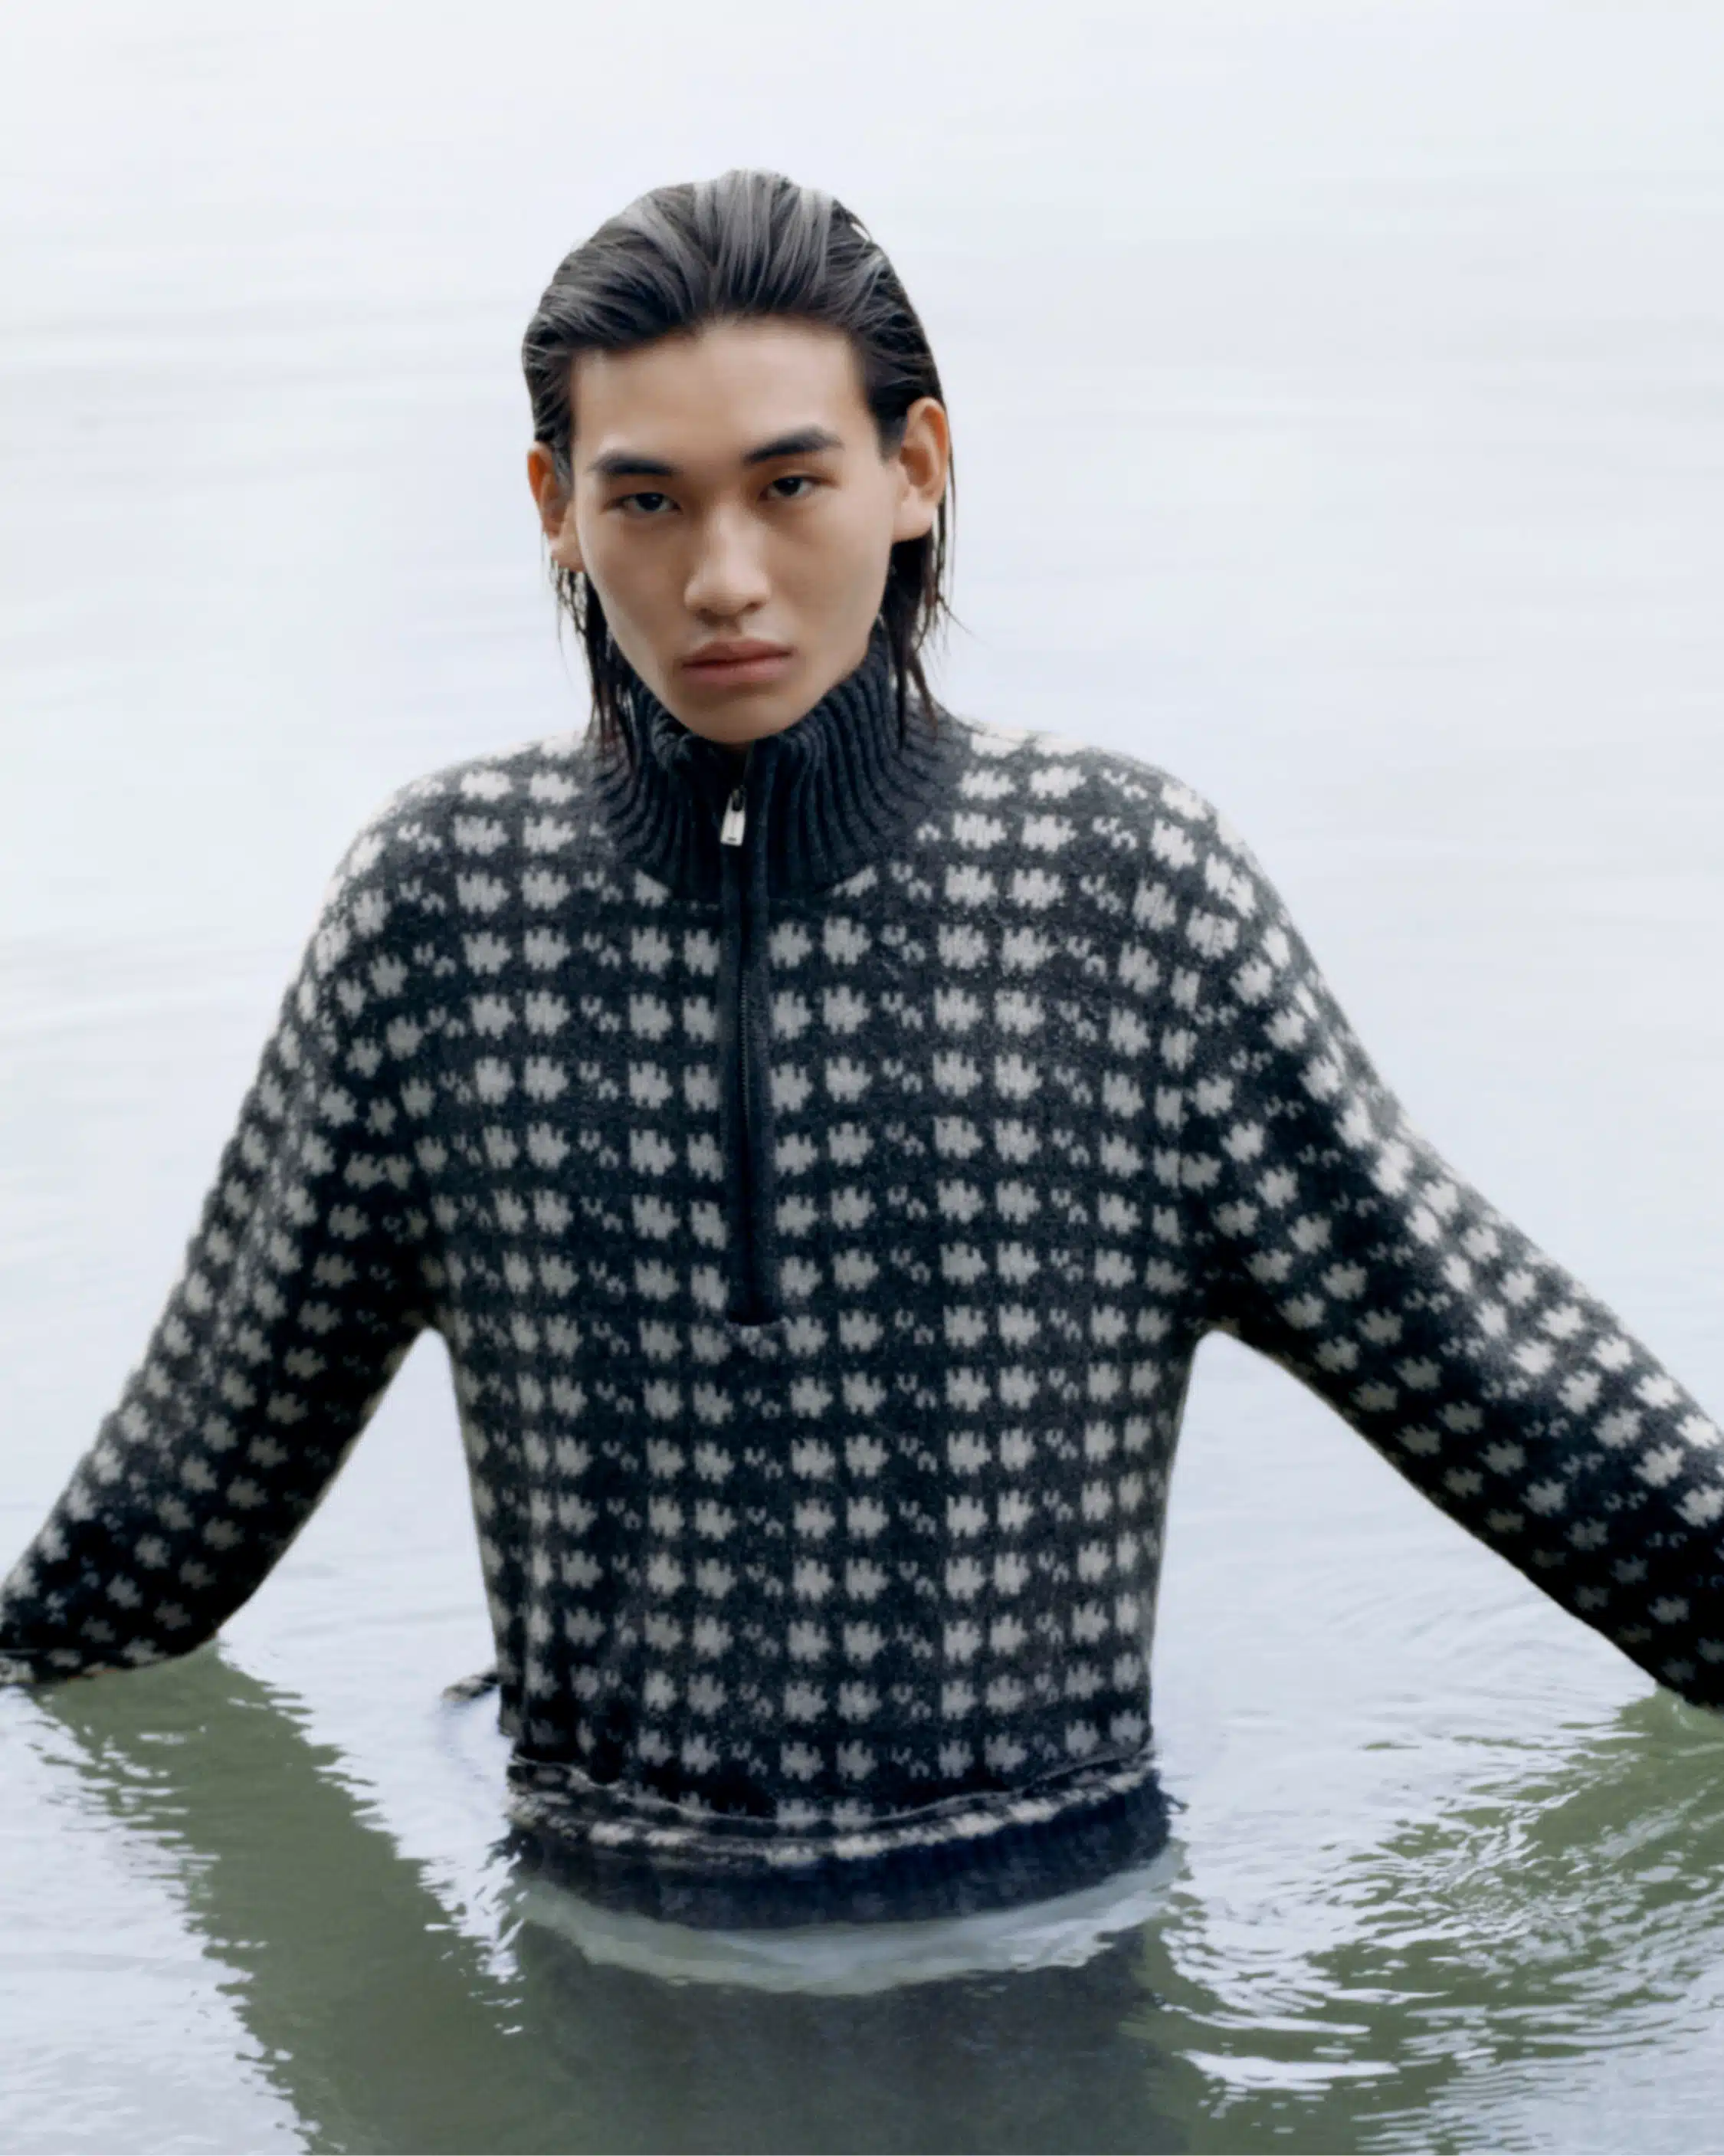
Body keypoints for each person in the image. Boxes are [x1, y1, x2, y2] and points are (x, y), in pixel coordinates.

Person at [4, 169, 1722, 1963]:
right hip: (601, 1956)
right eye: (648, 500)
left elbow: (1522, 1401)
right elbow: (145, 1549)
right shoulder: (436, 913)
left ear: (916, 471)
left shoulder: (1122, 897)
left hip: (1055, 1949)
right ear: (555, 510)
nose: (723, 578)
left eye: (789, 484)